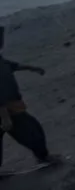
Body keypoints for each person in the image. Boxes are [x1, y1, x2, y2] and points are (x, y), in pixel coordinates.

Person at [0, 26, 54, 172]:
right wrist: (4, 116)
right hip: (7, 109)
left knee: (33, 130)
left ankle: (43, 156)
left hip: (12, 107)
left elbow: (12, 65)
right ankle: (43, 157)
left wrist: (32, 68)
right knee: (33, 131)